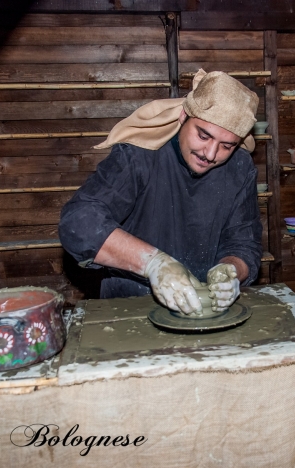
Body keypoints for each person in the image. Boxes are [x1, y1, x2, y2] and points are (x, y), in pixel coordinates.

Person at [58, 69, 262, 315]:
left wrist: (231, 270)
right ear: (184, 116)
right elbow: (78, 223)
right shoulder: (138, 155)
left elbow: (244, 243)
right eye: (203, 135)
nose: (210, 153)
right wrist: (153, 263)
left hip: (204, 313)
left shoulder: (239, 167)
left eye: (226, 146)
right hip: (128, 309)